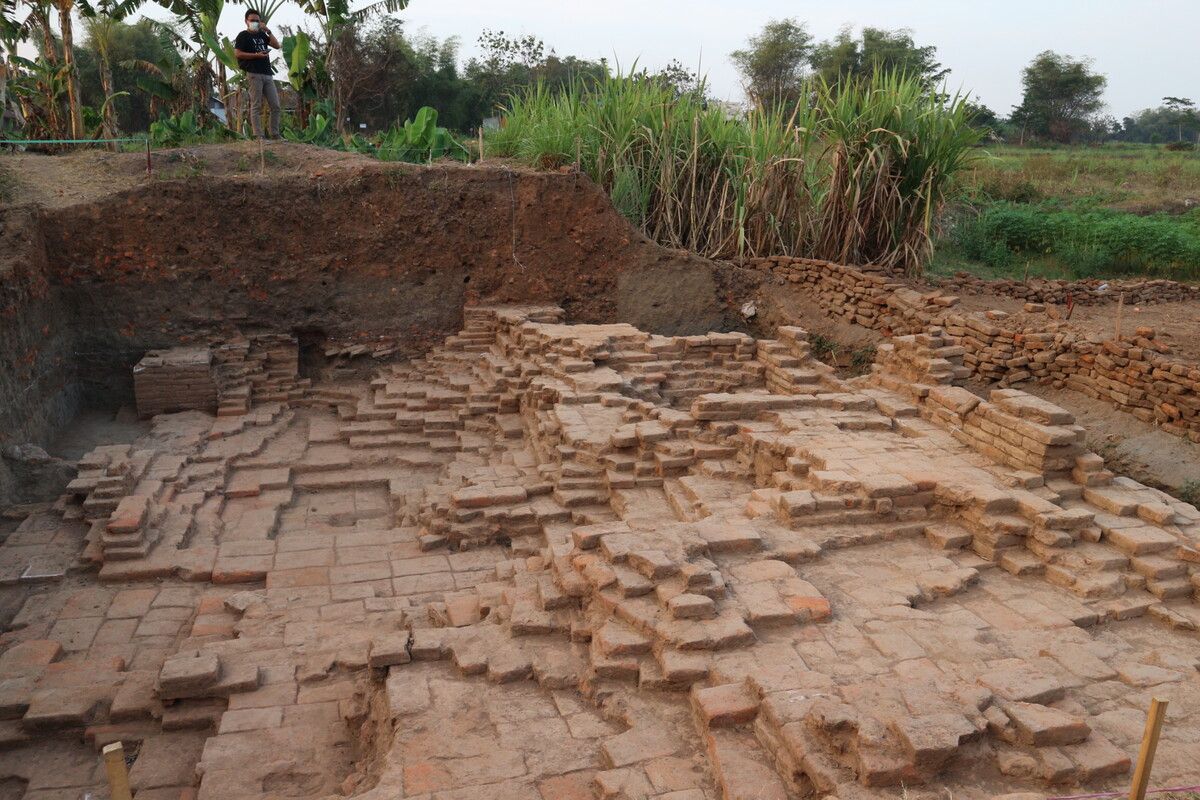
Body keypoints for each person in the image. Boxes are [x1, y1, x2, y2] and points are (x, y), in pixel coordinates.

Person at [234, 9, 281, 139]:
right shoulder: (243, 35)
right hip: (253, 73)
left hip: (267, 74)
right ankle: (258, 135)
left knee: (275, 105)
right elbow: (237, 53)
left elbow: (277, 45)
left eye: (257, 21)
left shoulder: (262, 35)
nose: (255, 23)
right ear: (246, 21)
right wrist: (256, 55)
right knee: (256, 105)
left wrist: (268, 30)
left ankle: (275, 134)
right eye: (252, 20)